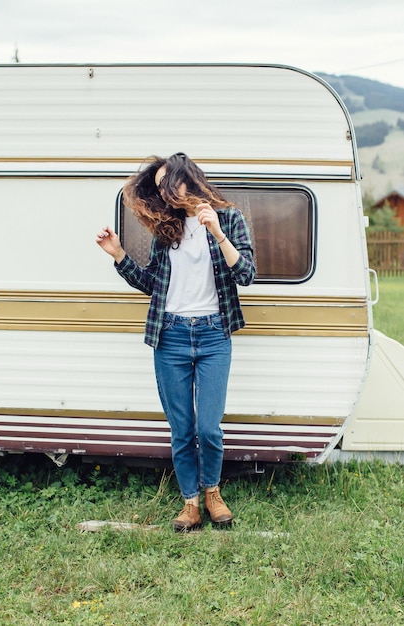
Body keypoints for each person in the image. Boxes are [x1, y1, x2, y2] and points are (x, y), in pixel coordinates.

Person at [96, 152, 256, 531]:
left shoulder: (229, 218)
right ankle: (190, 504)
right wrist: (119, 255)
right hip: (171, 335)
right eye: (158, 187)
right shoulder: (166, 228)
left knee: (209, 428)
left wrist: (217, 232)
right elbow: (153, 285)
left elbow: (247, 274)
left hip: (215, 333)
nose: (164, 192)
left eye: (168, 182)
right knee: (182, 428)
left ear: (189, 179)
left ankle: (213, 493)